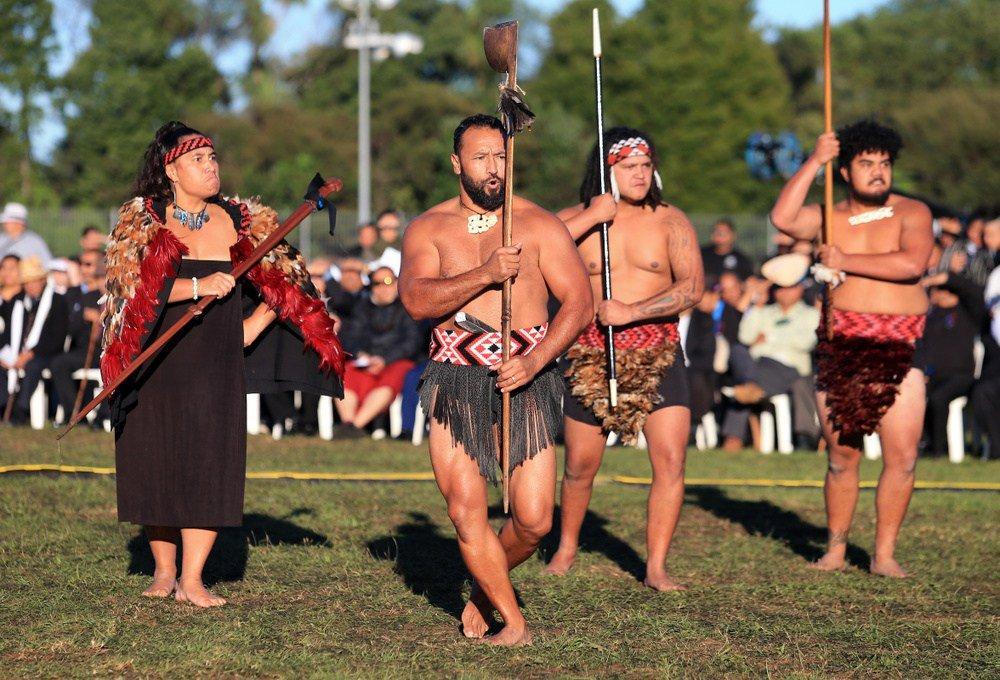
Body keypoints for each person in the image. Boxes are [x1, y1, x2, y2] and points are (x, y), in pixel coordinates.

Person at [102, 121, 343, 607]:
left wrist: (265, 318)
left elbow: (287, 280)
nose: (211, 167)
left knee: (209, 464)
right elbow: (130, 295)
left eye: (213, 159)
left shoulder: (243, 219)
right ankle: (164, 570)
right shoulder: (141, 219)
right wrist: (196, 286)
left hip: (216, 361)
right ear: (171, 169)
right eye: (198, 160)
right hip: (156, 359)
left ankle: (193, 578)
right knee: (156, 461)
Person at [399, 114, 592, 646]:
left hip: (526, 379)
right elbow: (417, 301)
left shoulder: (538, 224)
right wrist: (485, 274)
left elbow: (580, 304)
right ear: (457, 163)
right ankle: (515, 622)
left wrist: (536, 361)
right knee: (466, 511)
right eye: (481, 157)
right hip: (454, 379)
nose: (493, 168)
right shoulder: (428, 228)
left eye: (502, 156)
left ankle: (485, 589)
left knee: (533, 522)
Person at [770, 119, 933, 577]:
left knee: (901, 456)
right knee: (842, 456)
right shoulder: (828, 215)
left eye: (884, 163)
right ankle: (836, 549)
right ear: (845, 171)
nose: (878, 172)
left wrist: (845, 261)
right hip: (843, 347)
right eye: (866, 163)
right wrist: (813, 161)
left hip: (901, 347)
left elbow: (911, 263)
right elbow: (782, 218)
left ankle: (883, 555)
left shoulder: (912, 212)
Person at [547, 126, 704, 591]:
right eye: (628, 167)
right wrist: (594, 215)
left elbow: (692, 287)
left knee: (671, 460)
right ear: (606, 171)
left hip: (658, 352)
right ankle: (567, 547)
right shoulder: (577, 219)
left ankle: (655, 566)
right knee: (579, 464)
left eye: (645, 166)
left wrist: (632, 311)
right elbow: (539, 248)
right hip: (592, 353)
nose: (640, 174)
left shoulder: (671, 220)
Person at [721, 279, 820, 447]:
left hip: (789, 368)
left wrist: (769, 338)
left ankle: (733, 438)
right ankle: (750, 385)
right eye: (780, 288)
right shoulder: (764, 312)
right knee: (738, 351)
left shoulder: (811, 314)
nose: (785, 292)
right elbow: (745, 337)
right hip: (758, 365)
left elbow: (806, 342)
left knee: (747, 386)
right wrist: (758, 307)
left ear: (800, 290)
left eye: (790, 288)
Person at [335, 265, 422, 437]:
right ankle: (348, 422)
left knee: (394, 377)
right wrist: (361, 355)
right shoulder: (361, 308)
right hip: (365, 360)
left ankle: (355, 426)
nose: (383, 287)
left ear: (397, 283)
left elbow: (412, 343)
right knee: (345, 375)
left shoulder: (408, 308)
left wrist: (384, 360)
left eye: (388, 281)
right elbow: (351, 337)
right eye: (377, 283)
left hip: (396, 361)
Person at [918, 266, 984, 457]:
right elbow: (924, 347)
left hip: (961, 376)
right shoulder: (931, 316)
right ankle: (922, 444)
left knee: (939, 399)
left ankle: (938, 450)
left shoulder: (966, 312)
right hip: (933, 375)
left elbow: (972, 290)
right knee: (915, 396)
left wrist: (944, 278)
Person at [0, 257, 68, 424]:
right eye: (27, 282)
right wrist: (5, 354)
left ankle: (21, 410)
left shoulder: (57, 301)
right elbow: (8, 333)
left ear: (43, 280)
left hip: (45, 353)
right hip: (17, 352)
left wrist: (30, 353)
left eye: (34, 281)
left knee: (33, 366)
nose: (30, 286)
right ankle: (3, 406)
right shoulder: (18, 301)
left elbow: (56, 338)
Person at [51, 250, 106, 422]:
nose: (84, 269)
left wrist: (99, 318)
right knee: (58, 363)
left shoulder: (105, 293)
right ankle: (74, 413)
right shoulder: (75, 294)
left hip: (101, 350)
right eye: (82, 264)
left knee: (60, 363)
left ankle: (78, 414)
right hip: (80, 348)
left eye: (89, 265)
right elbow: (68, 326)